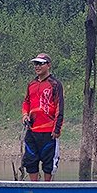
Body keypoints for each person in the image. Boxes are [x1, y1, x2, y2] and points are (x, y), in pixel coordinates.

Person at [21, 53, 64, 181]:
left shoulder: (55, 84)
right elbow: (26, 102)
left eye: (41, 63)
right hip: (32, 130)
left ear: (48, 65)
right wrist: (24, 115)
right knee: (30, 161)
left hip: (48, 131)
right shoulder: (31, 84)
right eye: (35, 64)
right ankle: (34, 188)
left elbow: (59, 107)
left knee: (49, 163)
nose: (37, 66)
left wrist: (57, 129)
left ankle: (47, 188)